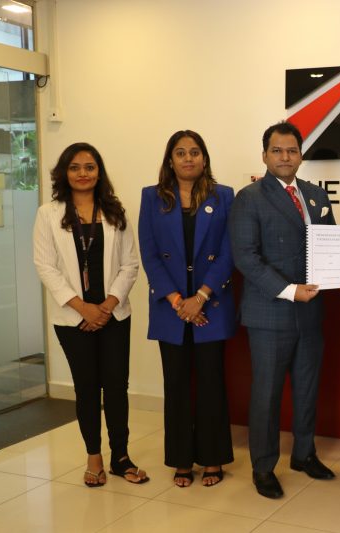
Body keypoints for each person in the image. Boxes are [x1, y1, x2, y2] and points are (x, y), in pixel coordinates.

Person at [230, 121, 337, 499]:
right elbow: (246, 257)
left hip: (310, 311)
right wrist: (290, 291)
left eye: (292, 150)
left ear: (301, 155)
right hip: (270, 312)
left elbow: (327, 243)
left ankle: (304, 454)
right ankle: (263, 466)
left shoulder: (315, 194)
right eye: (277, 150)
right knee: (267, 393)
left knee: (307, 388)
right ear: (264, 155)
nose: (285, 157)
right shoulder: (249, 197)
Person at [33, 143, 147, 487]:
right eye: (75, 167)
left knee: (116, 386)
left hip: (114, 315)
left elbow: (130, 264)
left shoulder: (115, 211)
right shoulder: (48, 214)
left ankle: (121, 457)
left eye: (90, 167)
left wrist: (107, 305)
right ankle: (94, 457)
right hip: (73, 318)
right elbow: (45, 266)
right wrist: (82, 307)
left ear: (99, 172)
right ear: (64, 173)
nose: (83, 173)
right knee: (86, 388)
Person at [138, 130, 235, 487]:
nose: (188, 158)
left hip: (212, 304)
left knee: (211, 383)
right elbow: (150, 253)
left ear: (204, 158)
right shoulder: (152, 197)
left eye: (195, 152)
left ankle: (212, 458)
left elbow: (228, 251)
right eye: (180, 153)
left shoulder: (223, 196)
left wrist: (201, 296)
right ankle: (181, 459)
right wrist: (179, 301)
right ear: (170, 160)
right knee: (176, 385)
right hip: (172, 307)